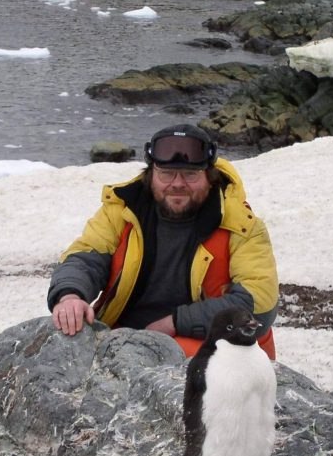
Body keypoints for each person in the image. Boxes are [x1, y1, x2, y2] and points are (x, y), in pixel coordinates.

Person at [47, 123, 279, 358]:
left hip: (213, 345)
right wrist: (70, 296)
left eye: (190, 174)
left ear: (209, 177)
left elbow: (258, 306)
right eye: (166, 173)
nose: (177, 184)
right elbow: (85, 257)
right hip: (123, 337)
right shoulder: (122, 210)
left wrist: (176, 322)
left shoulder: (242, 225)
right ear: (151, 174)